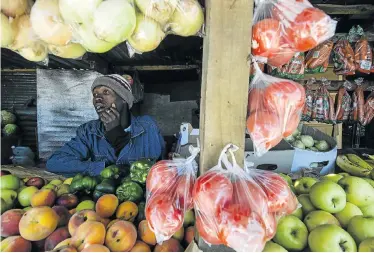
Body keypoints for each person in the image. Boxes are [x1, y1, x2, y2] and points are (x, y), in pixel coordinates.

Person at [46, 74, 165, 177]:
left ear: (124, 99)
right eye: (95, 94)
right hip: (104, 199)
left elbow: (154, 166)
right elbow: (55, 163)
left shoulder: (147, 126)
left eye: (106, 92)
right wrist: (102, 167)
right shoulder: (88, 131)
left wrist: (118, 136)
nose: (97, 98)